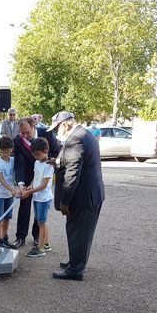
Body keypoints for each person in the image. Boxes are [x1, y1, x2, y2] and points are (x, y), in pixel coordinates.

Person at [51, 111, 104, 281]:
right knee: (80, 232)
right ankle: (75, 262)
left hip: (82, 196)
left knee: (79, 233)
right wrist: (56, 162)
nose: (56, 132)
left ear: (65, 124)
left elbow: (72, 172)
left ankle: (75, 269)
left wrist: (64, 202)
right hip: (90, 194)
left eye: (57, 128)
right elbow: (73, 162)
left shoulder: (76, 139)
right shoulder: (85, 134)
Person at [11, 117, 59, 249]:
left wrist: (49, 162)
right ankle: (20, 237)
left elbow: (56, 151)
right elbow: (19, 163)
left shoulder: (47, 133)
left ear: (34, 127)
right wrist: (21, 184)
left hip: (44, 173)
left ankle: (38, 236)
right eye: (22, 133)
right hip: (28, 176)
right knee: (24, 205)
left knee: (40, 207)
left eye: (27, 132)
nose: (25, 135)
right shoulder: (18, 140)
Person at [22, 138, 54, 257]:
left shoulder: (49, 165)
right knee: (41, 221)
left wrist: (30, 192)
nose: (35, 157)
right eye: (33, 154)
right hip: (37, 197)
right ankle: (46, 244)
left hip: (44, 198)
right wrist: (30, 187)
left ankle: (40, 249)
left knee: (41, 222)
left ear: (45, 151)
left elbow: (44, 185)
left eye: (37, 154)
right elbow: (36, 178)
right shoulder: (37, 163)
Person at [0, 137, 17, 248]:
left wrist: (16, 189)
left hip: (9, 194)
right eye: (4, 151)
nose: (6, 153)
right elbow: (1, 180)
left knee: (7, 217)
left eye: (8, 150)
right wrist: (12, 189)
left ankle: (4, 237)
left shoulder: (13, 161)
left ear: (11, 149)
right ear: (0, 149)